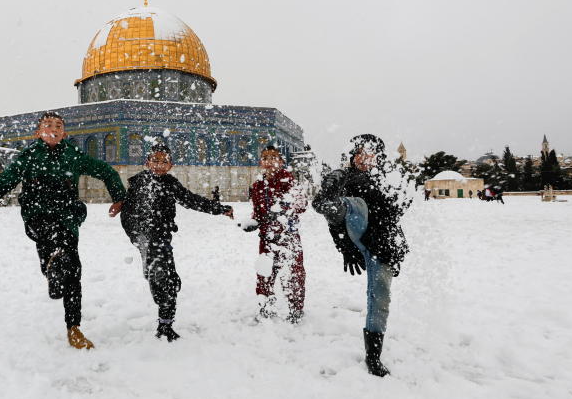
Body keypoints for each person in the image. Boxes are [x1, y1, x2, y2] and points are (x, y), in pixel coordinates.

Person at [0, 111, 126, 350]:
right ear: (38, 132)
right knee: (55, 249)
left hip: (67, 215)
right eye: (48, 125)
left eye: (58, 125)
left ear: (64, 133)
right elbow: (4, 181)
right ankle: (53, 269)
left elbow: (107, 171)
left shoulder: (74, 156)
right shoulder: (28, 157)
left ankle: (74, 328)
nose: (54, 128)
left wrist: (119, 197)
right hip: (38, 214)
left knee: (73, 269)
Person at [312, 134, 411, 377]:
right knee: (355, 203)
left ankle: (373, 357)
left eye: (369, 154)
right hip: (354, 224)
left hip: (379, 244)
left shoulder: (386, 181)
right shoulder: (344, 175)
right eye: (359, 153)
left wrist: (397, 251)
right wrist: (344, 247)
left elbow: (393, 220)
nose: (364, 159)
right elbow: (333, 223)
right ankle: (333, 203)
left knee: (380, 297)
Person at [120, 144, 233, 341]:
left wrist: (219, 208)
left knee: (166, 280)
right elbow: (127, 214)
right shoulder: (138, 183)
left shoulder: (170, 184)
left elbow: (191, 200)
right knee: (159, 277)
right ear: (147, 162)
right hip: (145, 240)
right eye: (155, 160)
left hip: (162, 239)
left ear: (171, 165)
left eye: (164, 161)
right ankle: (163, 303)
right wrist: (136, 237)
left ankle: (165, 323)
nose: (159, 165)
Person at [245, 145, 308, 323]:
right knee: (265, 274)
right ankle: (265, 307)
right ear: (261, 162)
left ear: (281, 162)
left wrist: (283, 208)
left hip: (288, 237)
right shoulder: (258, 185)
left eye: (274, 157)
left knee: (293, 274)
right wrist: (252, 223)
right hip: (267, 238)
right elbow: (257, 213)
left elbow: (302, 205)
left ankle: (295, 309)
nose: (269, 161)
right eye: (265, 157)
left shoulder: (289, 181)